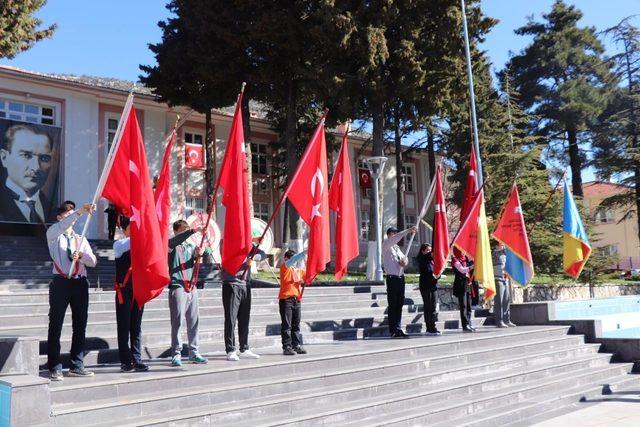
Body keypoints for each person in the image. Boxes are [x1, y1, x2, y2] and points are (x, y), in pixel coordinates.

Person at [46, 202, 97, 381]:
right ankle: (54, 366)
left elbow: (93, 261)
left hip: (79, 283)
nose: (72, 218)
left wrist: (82, 256)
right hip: (61, 283)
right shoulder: (53, 234)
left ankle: (77, 364)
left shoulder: (80, 238)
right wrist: (80, 212)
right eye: (68, 214)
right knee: (56, 324)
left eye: (73, 215)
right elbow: (61, 227)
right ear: (60, 217)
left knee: (80, 325)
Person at [168, 220, 209, 367]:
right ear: (176, 231)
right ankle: (176, 354)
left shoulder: (191, 247)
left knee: (194, 322)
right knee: (177, 322)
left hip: (192, 287)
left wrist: (203, 249)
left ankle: (194, 352)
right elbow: (175, 241)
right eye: (183, 231)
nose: (185, 234)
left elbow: (208, 252)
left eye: (187, 230)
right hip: (177, 286)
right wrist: (192, 231)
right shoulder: (171, 245)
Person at [0, 124, 56, 223]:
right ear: (4, 158)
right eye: (26, 155)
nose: (36, 167)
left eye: (44, 158)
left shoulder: (52, 208)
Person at [221, 240, 266, 361]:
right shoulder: (226, 242)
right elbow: (229, 255)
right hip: (231, 283)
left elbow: (263, 254)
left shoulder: (248, 245)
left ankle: (244, 348)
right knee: (231, 319)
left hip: (245, 284)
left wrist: (253, 257)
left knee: (244, 318)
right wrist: (245, 256)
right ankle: (230, 349)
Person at [113, 217, 148, 372]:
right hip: (124, 292)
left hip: (138, 291)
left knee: (136, 327)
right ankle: (125, 361)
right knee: (124, 327)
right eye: (131, 228)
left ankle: (136, 358)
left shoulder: (141, 246)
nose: (135, 231)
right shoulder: (119, 244)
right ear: (124, 230)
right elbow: (129, 244)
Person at [382, 226, 417, 338]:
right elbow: (395, 239)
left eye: (396, 232)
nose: (395, 234)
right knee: (393, 304)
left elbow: (404, 258)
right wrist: (407, 231)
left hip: (400, 277)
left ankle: (398, 328)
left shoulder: (397, 248)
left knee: (399, 304)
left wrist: (404, 262)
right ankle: (393, 330)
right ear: (388, 235)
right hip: (392, 278)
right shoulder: (387, 244)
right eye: (393, 233)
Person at [279, 250, 307, 355]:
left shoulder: (298, 271)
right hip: (286, 300)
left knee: (296, 324)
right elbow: (293, 260)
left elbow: (307, 276)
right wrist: (304, 253)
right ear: (286, 259)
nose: (294, 262)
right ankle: (287, 346)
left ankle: (296, 345)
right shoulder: (285, 267)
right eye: (291, 259)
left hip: (297, 299)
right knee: (287, 325)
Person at [416, 243, 441, 336]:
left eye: (431, 250)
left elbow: (436, 272)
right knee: (428, 306)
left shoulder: (431, 261)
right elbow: (426, 272)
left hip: (433, 285)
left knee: (433, 306)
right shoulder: (422, 259)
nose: (430, 252)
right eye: (428, 250)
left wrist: (437, 276)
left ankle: (433, 326)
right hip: (425, 285)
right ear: (423, 251)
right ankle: (429, 328)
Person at [493, 243, 517, 328]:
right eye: (500, 244)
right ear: (496, 246)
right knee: (499, 301)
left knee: (506, 300)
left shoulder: (505, 254)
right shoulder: (495, 253)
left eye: (503, 244)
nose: (503, 246)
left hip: (505, 279)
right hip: (497, 278)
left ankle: (507, 320)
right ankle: (499, 321)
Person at [452, 248, 475, 333]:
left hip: (467, 283)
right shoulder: (455, 260)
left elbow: (469, 270)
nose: (463, 251)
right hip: (460, 284)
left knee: (469, 305)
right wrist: (472, 266)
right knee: (463, 305)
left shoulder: (466, 258)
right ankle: (465, 325)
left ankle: (469, 323)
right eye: (461, 250)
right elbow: (462, 270)